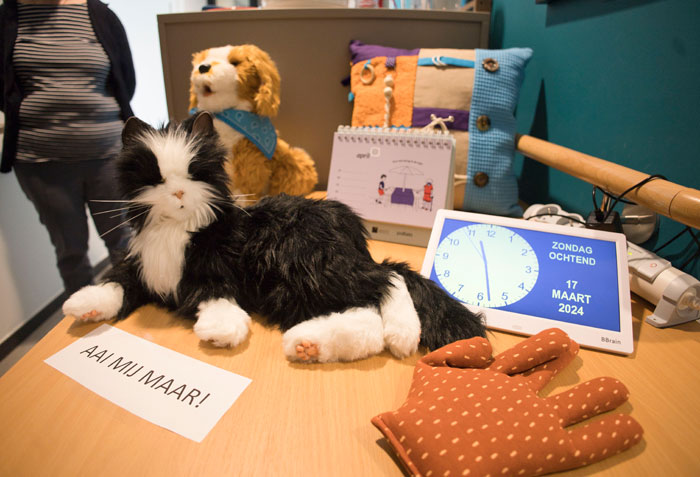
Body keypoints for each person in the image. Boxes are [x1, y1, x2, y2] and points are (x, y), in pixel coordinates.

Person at [0, 0, 135, 294]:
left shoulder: (99, 14)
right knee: (70, 252)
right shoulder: (8, 17)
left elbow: (126, 80)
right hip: (41, 163)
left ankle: (131, 315)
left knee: (124, 242)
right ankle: (85, 323)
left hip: (108, 156)